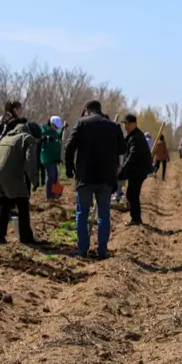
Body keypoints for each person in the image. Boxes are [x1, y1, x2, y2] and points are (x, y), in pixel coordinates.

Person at [65, 100, 127, 259]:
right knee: (104, 215)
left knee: (82, 213)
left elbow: (69, 147)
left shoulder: (81, 123)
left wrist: (69, 168)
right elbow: (123, 149)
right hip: (106, 178)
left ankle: (82, 249)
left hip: (85, 176)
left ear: (87, 110)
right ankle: (102, 250)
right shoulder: (113, 126)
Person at [0, 122, 40, 245]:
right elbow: (30, 160)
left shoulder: (5, 138)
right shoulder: (27, 138)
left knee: (4, 205)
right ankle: (26, 238)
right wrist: (34, 179)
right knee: (23, 203)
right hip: (10, 175)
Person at [119, 114, 152, 226]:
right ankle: (136, 218)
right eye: (124, 124)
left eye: (128, 124)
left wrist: (123, 169)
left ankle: (136, 218)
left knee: (132, 193)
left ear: (134, 124)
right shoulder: (132, 135)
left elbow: (132, 155)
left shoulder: (136, 137)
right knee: (132, 193)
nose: (126, 126)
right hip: (137, 170)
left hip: (139, 170)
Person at [40, 116, 65, 199]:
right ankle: (49, 196)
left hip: (54, 158)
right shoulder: (46, 131)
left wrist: (63, 130)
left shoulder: (54, 132)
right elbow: (50, 145)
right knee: (51, 176)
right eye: (56, 126)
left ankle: (56, 194)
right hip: (48, 158)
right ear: (51, 124)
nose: (57, 128)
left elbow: (58, 139)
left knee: (56, 176)